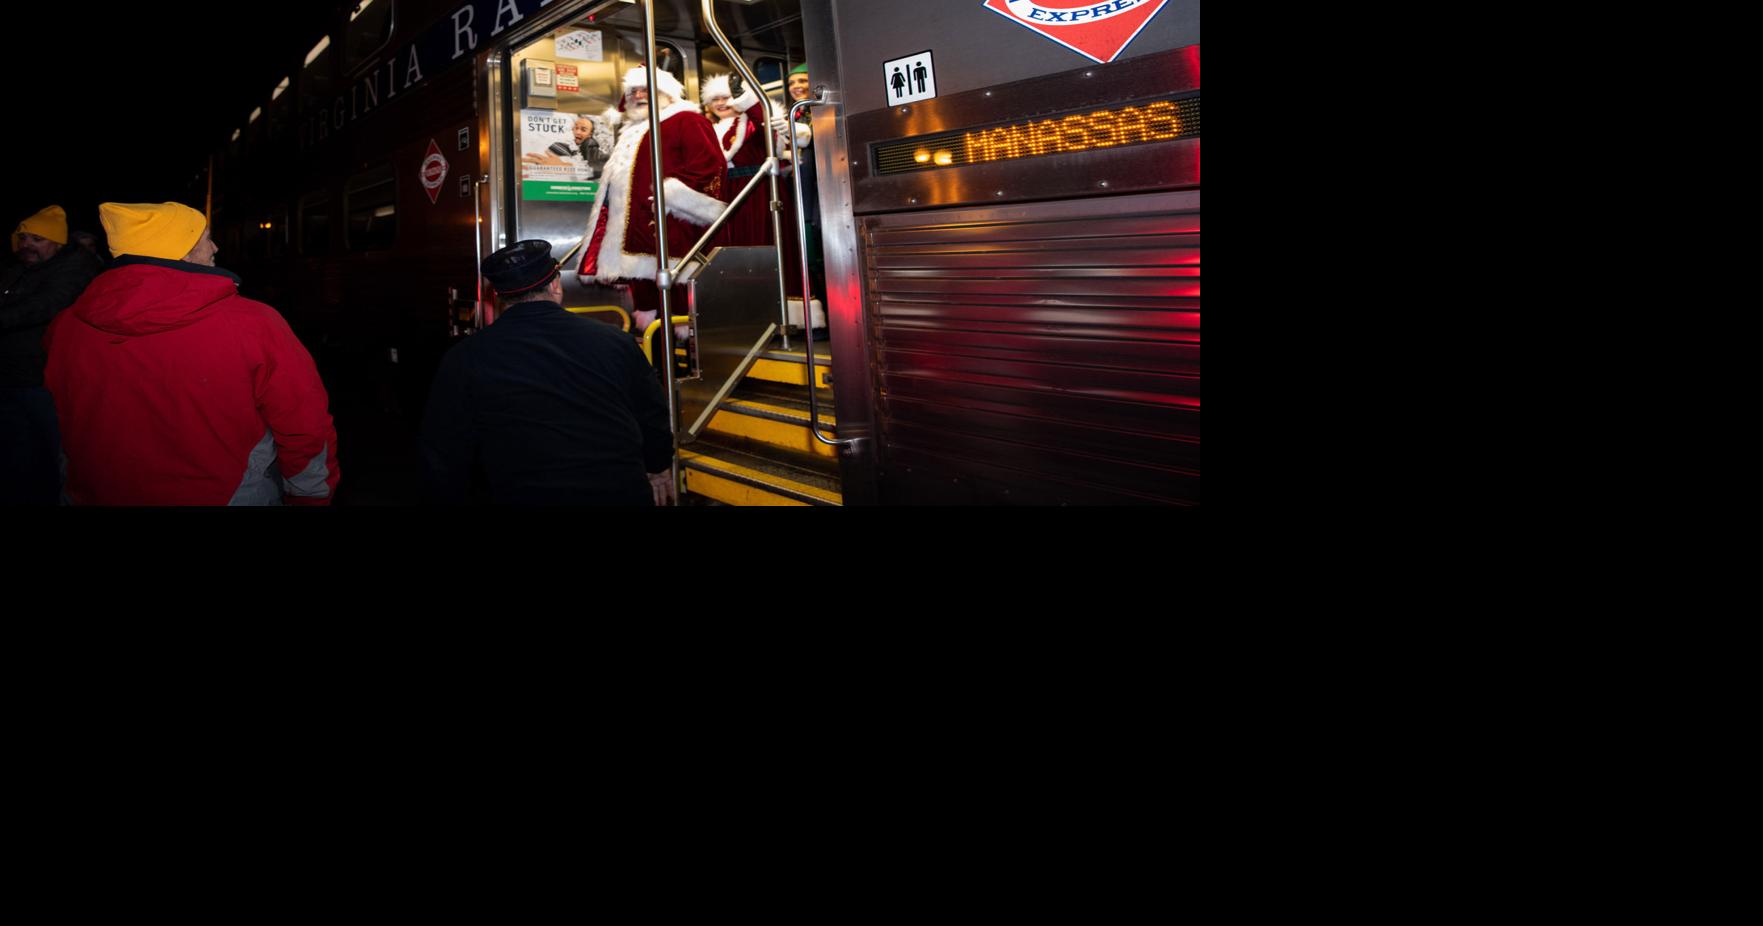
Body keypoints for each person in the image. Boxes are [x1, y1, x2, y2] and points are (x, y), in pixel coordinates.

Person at [43, 201, 339, 505]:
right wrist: (310, 495)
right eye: (206, 238)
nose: (215, 247)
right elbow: (303, 424)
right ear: (180, 250)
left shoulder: (66, 326)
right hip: (227, 495)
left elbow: (63, 422)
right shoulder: (254, 323)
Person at [421, 240, 674, 506]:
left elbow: (443, 450)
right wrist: (657, 466)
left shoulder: (465, 357)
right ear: (555, 285)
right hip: (620, 493)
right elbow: (651, 413)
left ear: (499, 296)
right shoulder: (615, 341)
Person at [577, 66, 727, 341]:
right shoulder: (633, 130)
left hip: (672, 218)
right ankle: (655, 345)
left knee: (676, 283)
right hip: (631, 224)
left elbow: (710, 163)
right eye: (633, 91)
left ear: (666, 93)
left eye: (646, 89)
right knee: (644, 287)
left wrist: (674, 196)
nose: (638, 95)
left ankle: (683, 344)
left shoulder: (686, 120)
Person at [1, 205, 100, 505]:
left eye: (37, 239)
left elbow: (45, 305)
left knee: (51, 453)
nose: (27, 245)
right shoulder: (19, 270)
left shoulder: (74, 268)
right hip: (13, 377)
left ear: (57, 242)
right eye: (23, 238)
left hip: (46, 380)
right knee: (17, 454)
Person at [777, 63, 827, 328]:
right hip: (798, 192)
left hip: (818, 190)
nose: (796, 87)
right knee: (806, 256)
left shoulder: (820, 111)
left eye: (802, 81)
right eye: (792, 83)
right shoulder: (792, 114)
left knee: (820, 254)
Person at [701, 73, 772, 248]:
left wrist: (744, 99)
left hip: (753, 189)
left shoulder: (750, 122)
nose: (720, 103)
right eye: (715, 99)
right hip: (724, 190)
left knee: (752, 237)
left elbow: (766, 126)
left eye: (725, 98)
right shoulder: (710, 129)